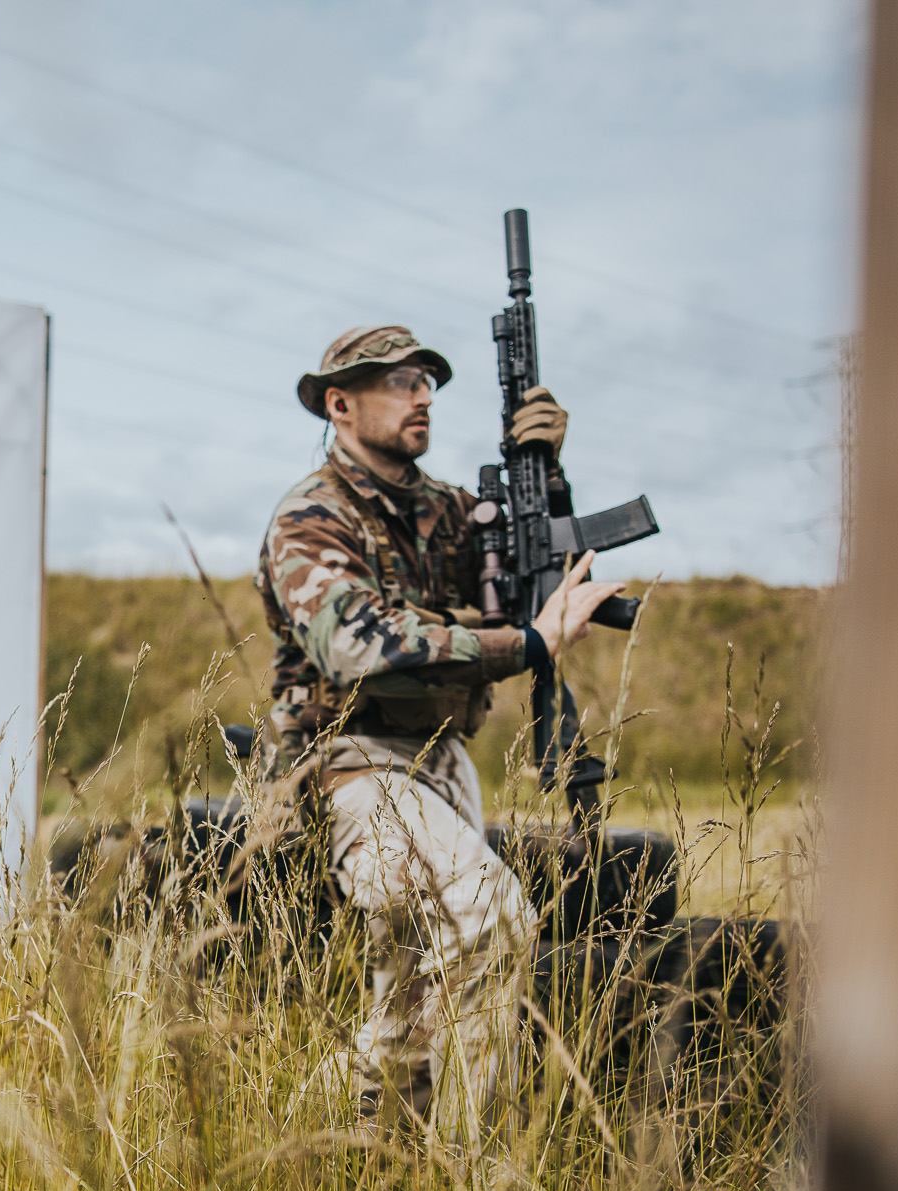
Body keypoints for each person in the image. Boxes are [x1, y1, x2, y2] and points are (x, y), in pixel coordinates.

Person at [256, 324, 627, 1129]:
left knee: (416, 979)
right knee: (490, 920)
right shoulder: (308, 519)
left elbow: (536, 579)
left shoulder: (452, 512)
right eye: (399, 381)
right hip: (347, 761)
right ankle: (471, 1172)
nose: (423, 393)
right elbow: (360, 643)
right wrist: (523, 644)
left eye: (427, 380)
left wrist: (546, 477)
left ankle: (356, 1151)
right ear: (340, 402)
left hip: (441, 759)